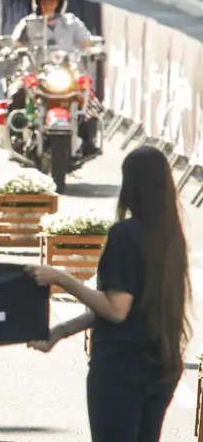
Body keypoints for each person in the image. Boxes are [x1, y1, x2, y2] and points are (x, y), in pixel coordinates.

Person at [25, 145, 193, 442]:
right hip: (163, 366)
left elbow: (117, 309)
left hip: (121, 370)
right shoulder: (172, 235)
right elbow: (125, 307)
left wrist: (63, 278)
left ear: (131, 185)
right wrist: (61, 331)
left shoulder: (124, 235)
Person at [7, 0, 102, 157]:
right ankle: (17, 135)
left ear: (59, 3)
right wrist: (18, 51)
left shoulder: (72, 22)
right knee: (17, 90)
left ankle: (89, 140)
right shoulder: (29, 23)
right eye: (43, 1)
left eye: (52, 1)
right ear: (36, 2)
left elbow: (86, 42)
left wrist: (92, 50)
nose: (47, 5)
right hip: (37, 72)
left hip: (66, 73)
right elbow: (15, 41)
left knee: (88, 96)